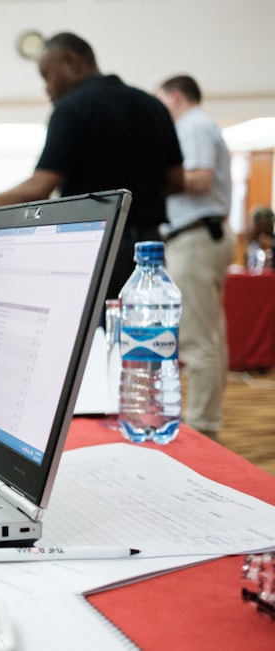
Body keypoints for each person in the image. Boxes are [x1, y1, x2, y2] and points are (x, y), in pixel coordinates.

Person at [0, 32, 185, 302]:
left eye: (47, 75)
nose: (46, 87)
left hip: (93, 243)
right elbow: (177, 182)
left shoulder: (71, 109)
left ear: (72, 62)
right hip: (148, 251)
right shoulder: (153, 106)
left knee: (86, 337)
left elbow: (39, 188)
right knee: (139, 334)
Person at [154, 74, 236, 438]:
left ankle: (202, 427)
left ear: (175, 97)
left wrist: (150, 176)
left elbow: (200, 179)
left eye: (160, 101)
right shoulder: (198, 125)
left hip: (196, 236)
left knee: (197, 338)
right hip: (202, 234)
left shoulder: (193, 124)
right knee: (210, 335)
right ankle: (207, 420)